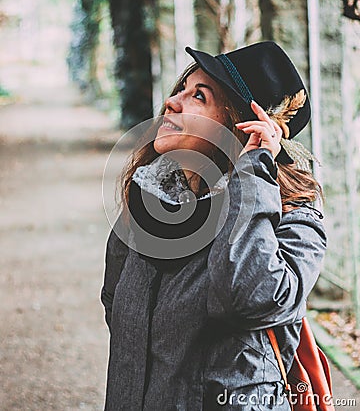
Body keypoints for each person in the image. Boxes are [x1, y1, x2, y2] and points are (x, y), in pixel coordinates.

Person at [101, 41, 326, 411]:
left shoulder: (295, 219)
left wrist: (252, 172)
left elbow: (253, 300)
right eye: (181, 90)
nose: (172, 102)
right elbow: (116, 305)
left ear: (241, 125)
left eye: (198, 96)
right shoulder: (152, 201)